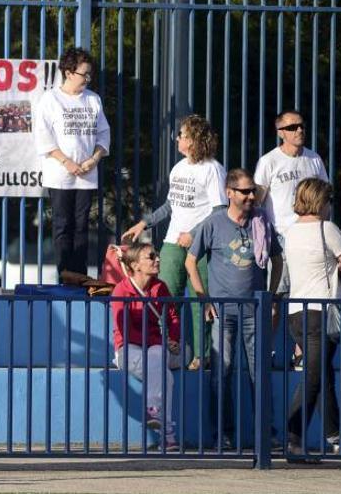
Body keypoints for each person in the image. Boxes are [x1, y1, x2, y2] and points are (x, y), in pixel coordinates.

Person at [185, 168, 283, 448]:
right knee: (221, 373)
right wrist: (202, 298)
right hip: (222, 311)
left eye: (253, 190)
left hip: (255, 309)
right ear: (230, 193)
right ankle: (223, 434)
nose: (252, 195)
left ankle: (265, 435)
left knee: (259, 373)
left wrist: (271, 295)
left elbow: (277, 259)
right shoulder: (213, 223)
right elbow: (190, 261)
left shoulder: (261, 220)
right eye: (245, 191)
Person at [122, 115, 227, 371]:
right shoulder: (178, 168)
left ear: (194, 139)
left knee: (199, 301)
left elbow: (220, 208)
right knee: (165, 299)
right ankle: (170, 351)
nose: (177, 138)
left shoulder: (212, 168)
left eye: (182, 134)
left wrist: (194, 233)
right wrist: (144, 223)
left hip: (200, 245)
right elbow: (171, 205)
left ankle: (202, 355)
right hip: (171, 242)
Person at [283, 178, 341, 458]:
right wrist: (338, 267)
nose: (330, 207)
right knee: (314, 377)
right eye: (328, 201)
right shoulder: (327, 229)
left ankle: (336, 436)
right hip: (322, 313)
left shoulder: (290, 232)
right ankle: (293, 437)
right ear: (321, 202)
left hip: (296, 313)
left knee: (322, 375)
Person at [254, 110, 329, 369]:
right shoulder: (269, 162)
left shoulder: (314, 160)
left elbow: (325, 198)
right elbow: (257, 202)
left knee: (306, 300)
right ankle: (264, 353)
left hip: (311, 239)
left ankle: (301, 354)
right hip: (282, 242)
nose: (299, 130)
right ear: (280, 132)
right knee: (276, 299)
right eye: (293, 126)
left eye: (301, 125)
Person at [33, 46, 110, 277]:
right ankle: (65, 275)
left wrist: (94, 158)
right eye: (83, 74)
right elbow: (43, 136)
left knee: (82, 227)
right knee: (62, 226)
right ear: (68, 72)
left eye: (89, 74)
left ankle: (80, 275)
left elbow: (103, 133)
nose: (87, 78)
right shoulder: (50, 99)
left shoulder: (93, 100)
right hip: (61, 175)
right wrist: (67, 162)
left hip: (87, 174)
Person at [111, 242, 181, 451]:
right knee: (164, 374)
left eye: (156, 255)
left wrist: (174, 339)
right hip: (129, 348)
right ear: (135, 265)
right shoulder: (121, 290)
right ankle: (168, 435)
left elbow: (173, 317)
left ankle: (153, 410)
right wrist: (158, 341)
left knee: (157, 355)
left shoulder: (161, 287)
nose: (157, 259)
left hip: (157, 347)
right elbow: (125, 330)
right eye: (151, 256)